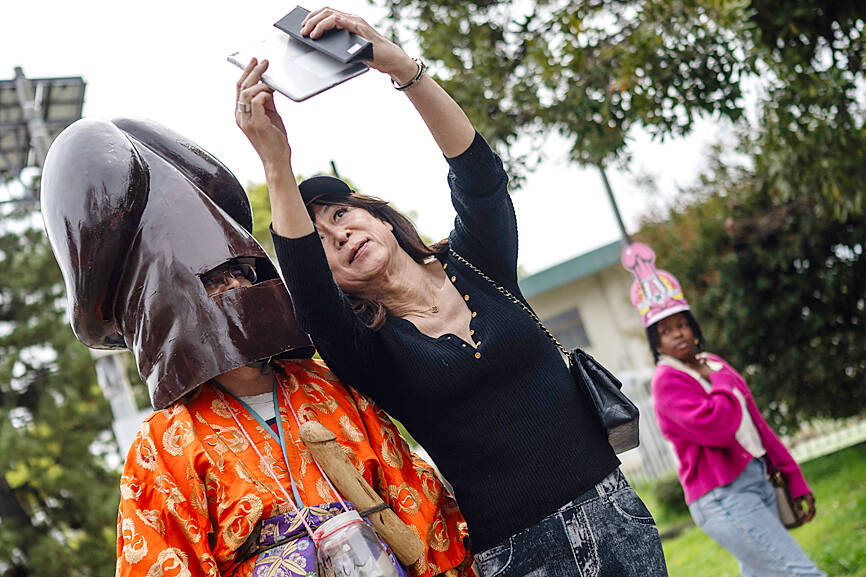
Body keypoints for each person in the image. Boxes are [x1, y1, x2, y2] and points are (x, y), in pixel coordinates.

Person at [235, 7, 668, 577]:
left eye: (343, 212)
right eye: (322, 242)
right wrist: (275, 162)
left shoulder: (478, 263)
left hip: (615, 514)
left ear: (383, 219)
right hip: (517, 558)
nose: (339, 234)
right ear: (329, 276)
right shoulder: (368, 346)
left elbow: (479, 174)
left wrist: (396, 64)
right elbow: (306, 288)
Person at [40, 117, 473, 577]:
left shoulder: (329, 391)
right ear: (171, 308)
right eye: (215, 282)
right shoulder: (165, 445)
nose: (238, 289)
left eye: (243, 272)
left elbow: (418, 504)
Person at [621, 242, 826, 577]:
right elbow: (718, 429)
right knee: (799, 571)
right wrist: (718, 384)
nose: (678, 334)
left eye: (682, 324)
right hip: (723, 497)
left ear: (694, 328)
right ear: (656, 344)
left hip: (758, 482)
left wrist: (794, 478)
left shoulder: (715, 365)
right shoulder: (667, 382)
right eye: (666, 331)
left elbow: (757, 426)